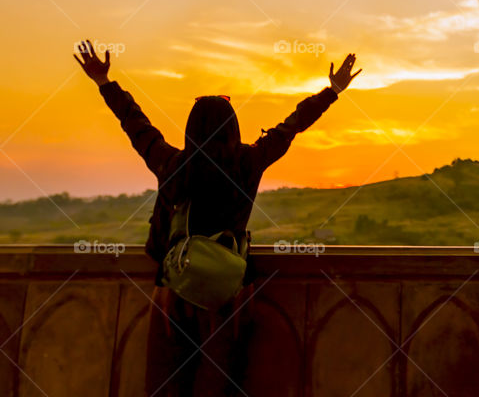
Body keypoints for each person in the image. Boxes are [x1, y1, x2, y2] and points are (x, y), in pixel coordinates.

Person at [73, 39, 361, 396]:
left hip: (175, 289)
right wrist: (332, 90)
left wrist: (104, 82)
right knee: (218, 381)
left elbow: (137, 126)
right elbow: (290, 127)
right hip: (229, 293)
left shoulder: (173, 165)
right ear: (233, 125)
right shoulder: (248, 163)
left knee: (169, 382)